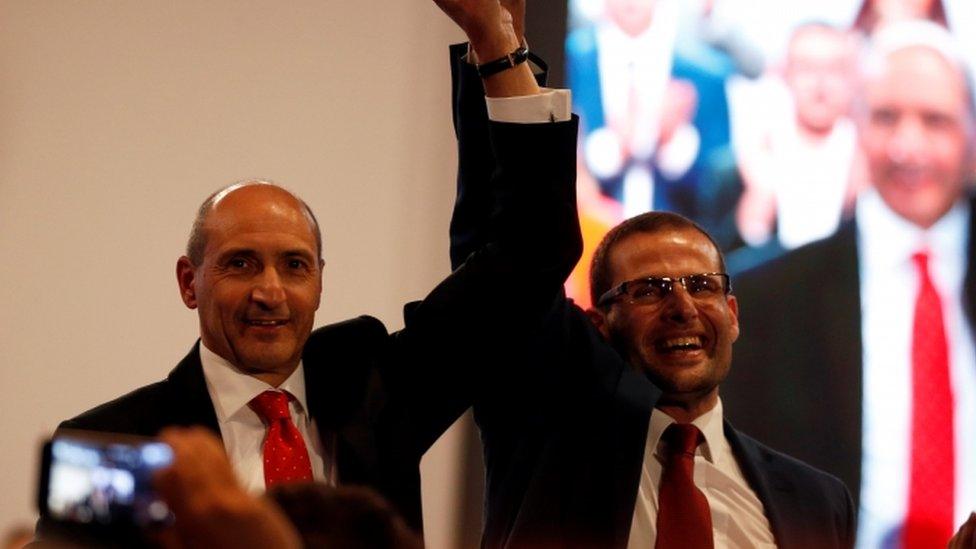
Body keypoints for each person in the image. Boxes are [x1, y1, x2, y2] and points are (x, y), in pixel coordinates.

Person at [41, 0, 581, 544]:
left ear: (320, 282)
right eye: (240, 264)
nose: (270, 292)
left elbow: (534, 249)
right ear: (189, 282)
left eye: (294, 266)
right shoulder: (116, 444)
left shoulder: (376, 389)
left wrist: (494, 41)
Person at [450, 21, 854, 546]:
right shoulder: (545, 441)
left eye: (702, 285)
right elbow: (505, 263)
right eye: (649, 290)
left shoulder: (818, 500)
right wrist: (497, 47)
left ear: (733, 313)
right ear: (598, 325)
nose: (683, 306)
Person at [725, 21, 976, 548]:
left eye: (936, 121)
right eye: (887, 117)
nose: (909, 146)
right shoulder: (769, 300)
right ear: (857, 125)